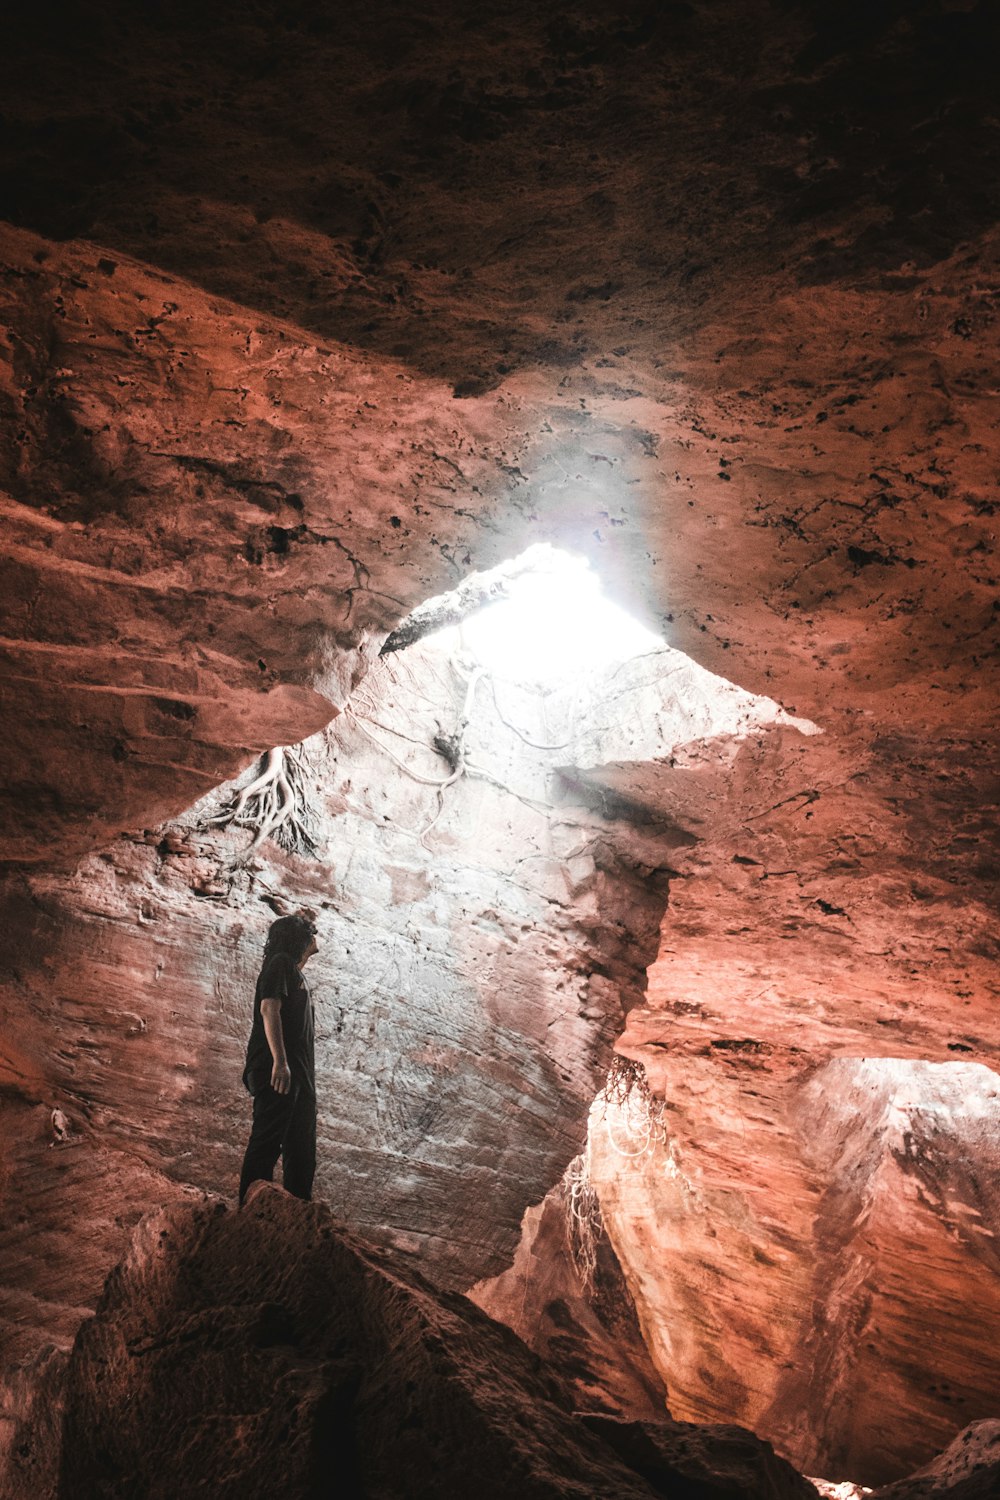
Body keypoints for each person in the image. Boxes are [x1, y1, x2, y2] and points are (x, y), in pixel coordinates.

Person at [239, 913, 319, 1205]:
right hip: (278, 1070)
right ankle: (249, 1215)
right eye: (311, 934)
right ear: (297, 939)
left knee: (301, 1150)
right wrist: (280, 1062)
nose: (316, 939)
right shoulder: (280, 963)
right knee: (266, 1143)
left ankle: (298, 1217)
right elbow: (269, 1009)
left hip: (297, 1074)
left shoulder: (294, 972)